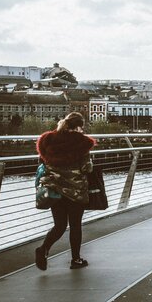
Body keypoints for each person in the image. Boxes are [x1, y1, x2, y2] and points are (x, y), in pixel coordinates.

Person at [35, 112, 95, 270]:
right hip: (75, 190)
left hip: (55, 189)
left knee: (60, 225)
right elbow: (86, 168)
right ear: (79, 126)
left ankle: (43, 249)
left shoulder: (48, 139)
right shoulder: (81, 142)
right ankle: (76, 260)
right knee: (75, 225)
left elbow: (43, 161)